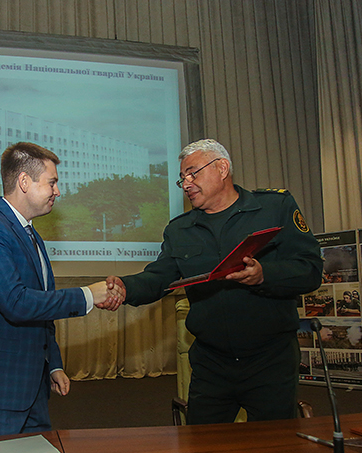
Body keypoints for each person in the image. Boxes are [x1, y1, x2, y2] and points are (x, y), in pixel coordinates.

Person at [106, 139, 322, 424]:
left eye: (192, 173)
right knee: (203, 446)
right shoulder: (180, 230)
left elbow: (310, 269)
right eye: (182, 178)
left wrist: (264, 275)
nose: (186, 183)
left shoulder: (274, 208)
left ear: (222, 168)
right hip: (211, 364)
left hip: (271, 360)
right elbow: (159, 276)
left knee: (272, 447)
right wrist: (126, 287)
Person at [0, 142, 121, 438]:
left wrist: (53, 365)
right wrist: (89, 295)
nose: (58, 191)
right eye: (52, 183)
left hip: (33, 389)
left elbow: (40, 311)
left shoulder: (30, 234)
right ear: (24, 182)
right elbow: (17, 303)